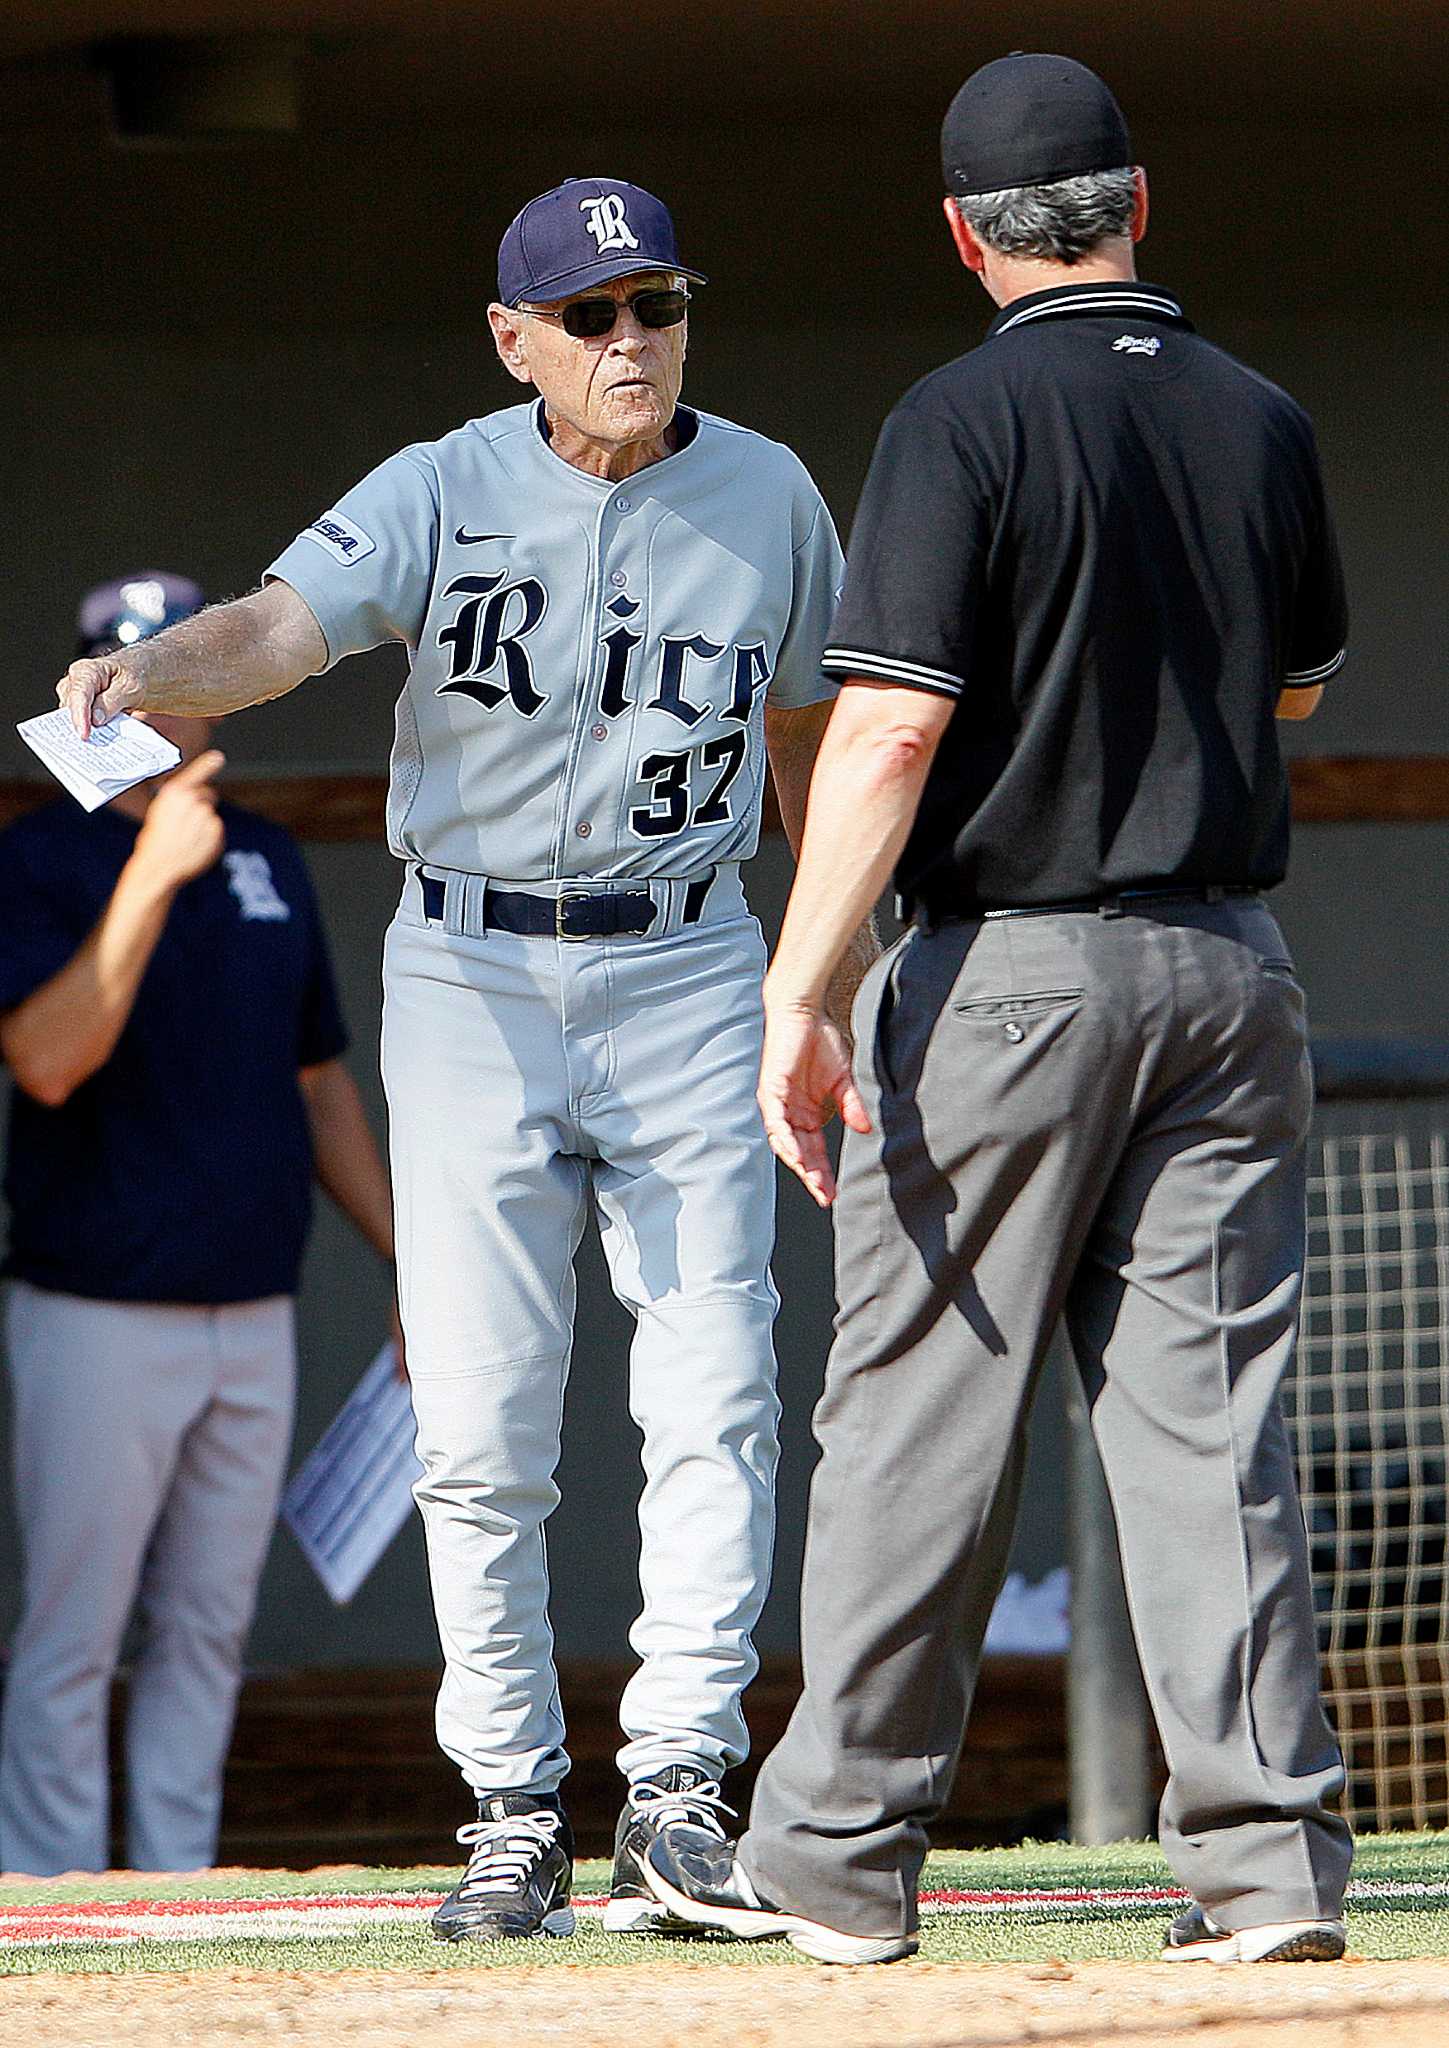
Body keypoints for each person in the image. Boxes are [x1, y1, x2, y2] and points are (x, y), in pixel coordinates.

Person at [56, 180, 862, 1939]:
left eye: (655, 303)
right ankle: (510, 1801)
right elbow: (282, 625)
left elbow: (807, 734)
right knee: (486, 1416)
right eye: (591, 317)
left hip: (692, 958)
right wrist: (151, 667)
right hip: (472, 963)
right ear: (517, 345)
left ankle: (678, 1791)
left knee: (717, 1384)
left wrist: (824, 974)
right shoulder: (440, 482)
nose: (631, 340)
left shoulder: (775, 489)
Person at [641, 53, 1354, 1967]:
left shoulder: (958, 417)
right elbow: (1287, 699)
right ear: (1141, 203)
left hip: (1010, 974)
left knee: (914, 1417)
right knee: (1212, 1437)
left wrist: (799, 994)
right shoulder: (1261, 417)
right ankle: (1268, 1873)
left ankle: (836, 1863)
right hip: (1227, 967)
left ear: (965, 235)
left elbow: (882, 726)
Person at [0, 571, 398, 1876]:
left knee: (206, 1630)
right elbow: (51, 1061)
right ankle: (50, 1902)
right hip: (97, 1309)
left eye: (173, 680)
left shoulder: (267, 853)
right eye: (128, 682)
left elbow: (320, 1084)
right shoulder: (42, 857)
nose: (156, 713)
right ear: (89, 696)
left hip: (253, 1304)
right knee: (76, 1632)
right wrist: (151, 877)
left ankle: (174, 1895)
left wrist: (412, 1262)